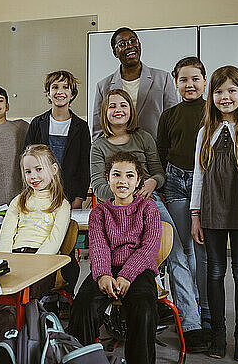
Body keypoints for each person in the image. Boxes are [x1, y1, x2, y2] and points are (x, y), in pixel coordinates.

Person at [90, 88, 205, 351]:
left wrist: (152, 182)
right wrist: (126, 192)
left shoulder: (143, 138)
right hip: (114, 210)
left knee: (177, 255)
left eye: (123, 105)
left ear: (131, 110)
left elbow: (158, 173)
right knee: (105, 253)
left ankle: (190, 325)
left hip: (149, 206)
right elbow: (98, 185)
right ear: (105, 113)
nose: (118, 110)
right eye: (112, 106)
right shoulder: (99, 145)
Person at [190, 65, 238, 361]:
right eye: (219, 91)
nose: (225, 97)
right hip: (211, 211)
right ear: (211, 95)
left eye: (231, 91)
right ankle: (218, 337)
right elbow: (199, 175)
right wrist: (195, 215)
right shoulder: (205, 132)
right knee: (214, 271)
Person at [0, 144, 70, 364]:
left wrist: (32, 266)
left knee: (9, 305)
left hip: (41, 263)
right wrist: (5, 262)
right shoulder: (19, 201)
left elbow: (54, 241)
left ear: (53, 169)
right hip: (11, 259)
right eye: (28, 171)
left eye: (38, 169)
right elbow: (6, 235)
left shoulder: (61, 204)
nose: (33, 176)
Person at [68, 151, 161, 364]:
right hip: (106, 270)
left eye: (129, 176)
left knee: (144, 309)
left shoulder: (148, 208)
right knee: (83, 306)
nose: (123, 181)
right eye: (116, 175)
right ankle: (84, 360)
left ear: (138, 181)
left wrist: (127, 276)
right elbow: (99, 247)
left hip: (139, 271)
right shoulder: (99, 212)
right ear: (108, 178)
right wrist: (103, 276)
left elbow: (149, 249)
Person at [157, 57, 211, 350]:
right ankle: (189, 316)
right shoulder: (169, 115)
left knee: (201, 251)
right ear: (176, 83)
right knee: (184, 249)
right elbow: (163, 149)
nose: (189, 85)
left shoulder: (213, 112)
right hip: (177, 181)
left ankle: (205, 313)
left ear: (205, 81)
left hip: (207, 183)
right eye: (183, 80)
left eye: (195, 79)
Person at [92, 27, 178, 141]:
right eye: (122, 44)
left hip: (155, 151)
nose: (129, 46)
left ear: (140, 45)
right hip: (117, 154)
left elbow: (172, 121)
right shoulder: (103, 86)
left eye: (133, 41)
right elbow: (98, 129)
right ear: (115, 53)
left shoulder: (163, 78)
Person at [24, 70, 91, 210]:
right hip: (40, 194)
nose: (60, 91)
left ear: (72, 94)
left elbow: (84, 166)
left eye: (65, 87)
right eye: (55, 87)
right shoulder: (37, 123)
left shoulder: (81, 127)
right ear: (48, 93)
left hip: (70, 196)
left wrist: (79, 199)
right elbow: (27, 161)